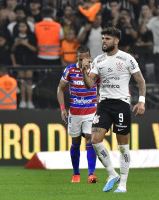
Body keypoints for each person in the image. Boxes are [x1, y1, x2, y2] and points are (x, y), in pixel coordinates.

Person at [81, 27, 146, 193]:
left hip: (121, 105)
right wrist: (83, 70)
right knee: (94, 140)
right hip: (103, 104)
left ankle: (123, 184)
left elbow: (141, 81)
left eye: (107, 38)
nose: (104, 41)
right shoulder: (99, 60)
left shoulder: (126, 58)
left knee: (123, 146)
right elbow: (90, 84)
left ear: (116, 41)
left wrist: (141, 102)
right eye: (103, 38)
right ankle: (112, 174)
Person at [57, 45, 98, 184]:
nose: (82, 62)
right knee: (75, 142)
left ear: (90, 57)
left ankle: (91, 174)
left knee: (89, 139)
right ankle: (76, 174)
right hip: (74, 112)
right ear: (77, 58)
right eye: (80, 59)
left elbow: (102, 88)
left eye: (85, 58)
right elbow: (60, 88)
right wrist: (63, 108)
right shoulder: (70, 70)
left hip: (91, 110)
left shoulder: (95, 70)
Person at [11, 20, 37, 109]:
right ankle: (23, 100)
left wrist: (25, 44)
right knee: (22, 82)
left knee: (29, 82)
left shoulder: (31, 37)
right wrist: (15, 44)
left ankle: (30, 101)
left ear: (27, 27)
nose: (21, 28)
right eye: (20, 26)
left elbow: (34, 49)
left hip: (29, 62)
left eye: (23, 26)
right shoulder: (15, 37)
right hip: (19, 62)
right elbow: (12, 51)